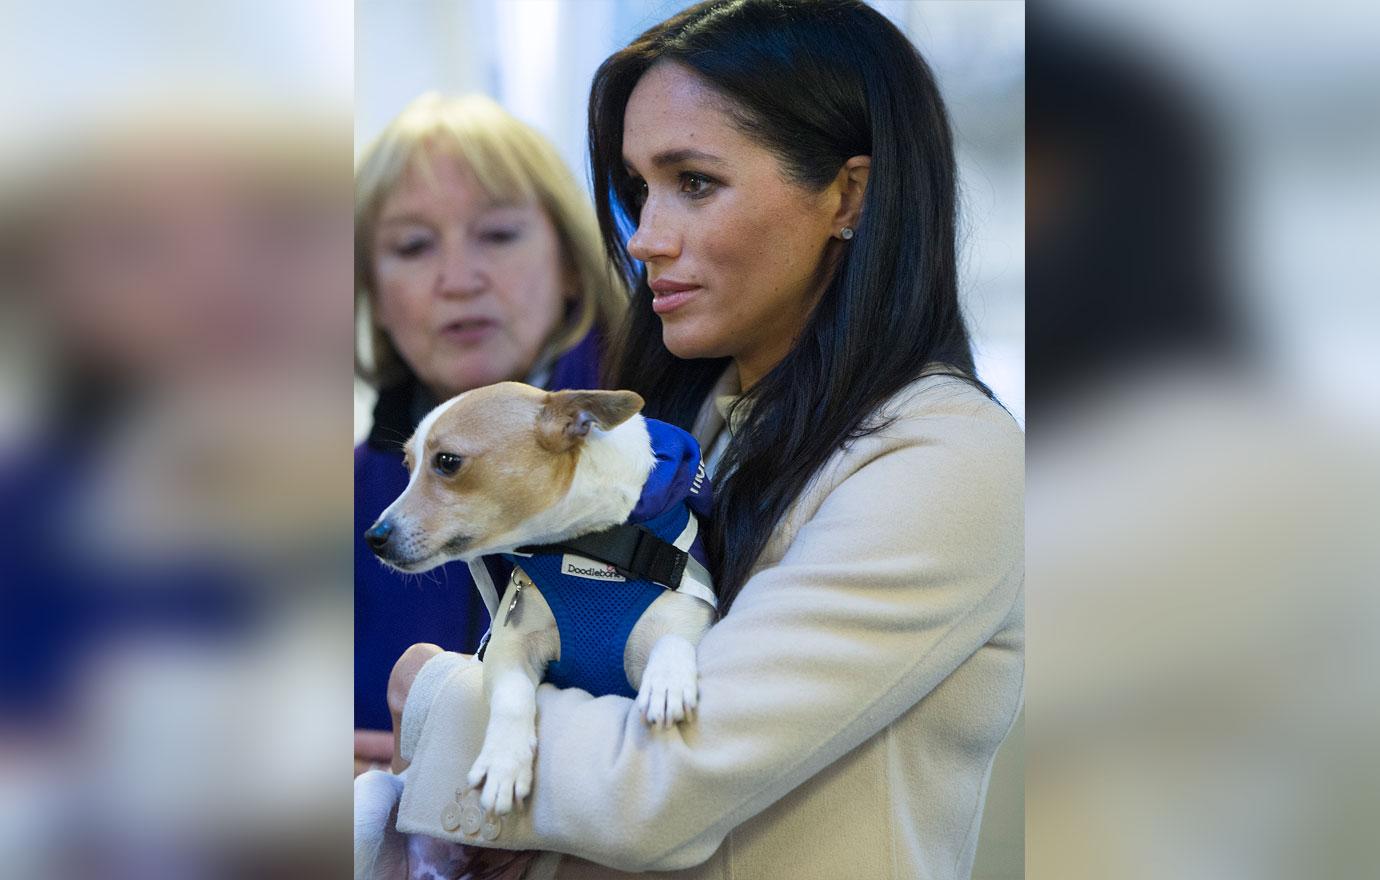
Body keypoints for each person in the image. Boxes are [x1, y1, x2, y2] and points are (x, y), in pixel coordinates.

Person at [363, 2, 1023, 877]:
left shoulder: (947, 461)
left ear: (848, 196)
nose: (645, 238)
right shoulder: (690, 429)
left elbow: (663, 779)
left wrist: (438, 702)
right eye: (637, 189)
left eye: (695, 184)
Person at [353, 93, 625, 773]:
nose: (458, 279)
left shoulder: (669, 463)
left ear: (570, 262)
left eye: (498, 235)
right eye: (413, 247)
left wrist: (419, 776)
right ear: (374, 296)